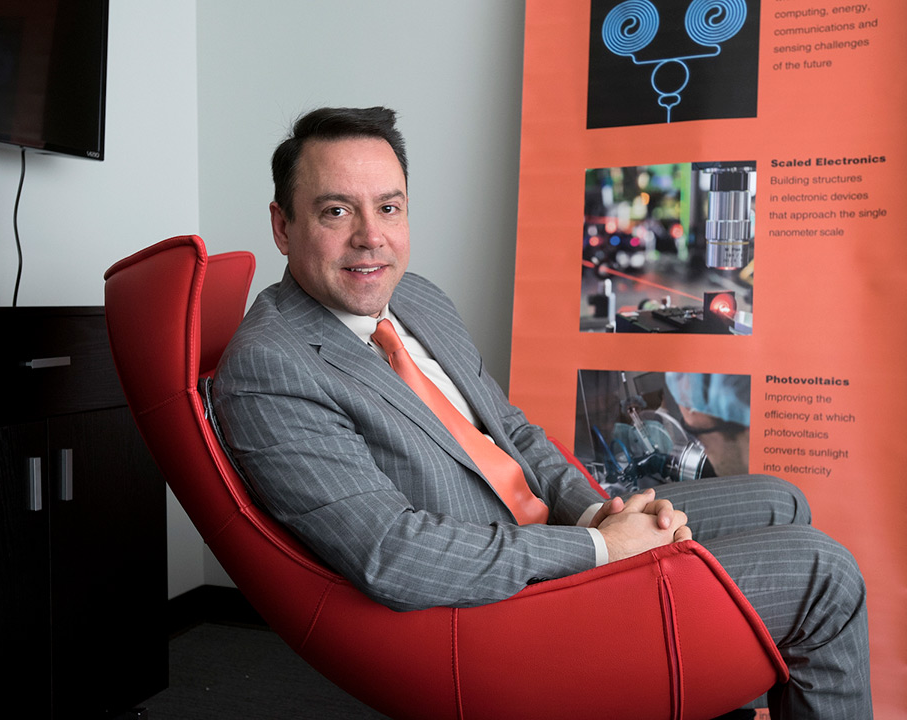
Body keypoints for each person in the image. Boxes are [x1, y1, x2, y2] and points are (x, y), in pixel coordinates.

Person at [213, 106, 871, 718]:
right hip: (500, 609)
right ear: (282, 225)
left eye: (389, 207)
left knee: (781, 502)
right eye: (335, 211)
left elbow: (514, 432)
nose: (371, 238)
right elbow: (392, 553)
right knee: (824, 572)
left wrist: (599, 513)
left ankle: (697, 682)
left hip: (550, 535)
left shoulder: (418, 299)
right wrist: (598, 548)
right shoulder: (273, 365)